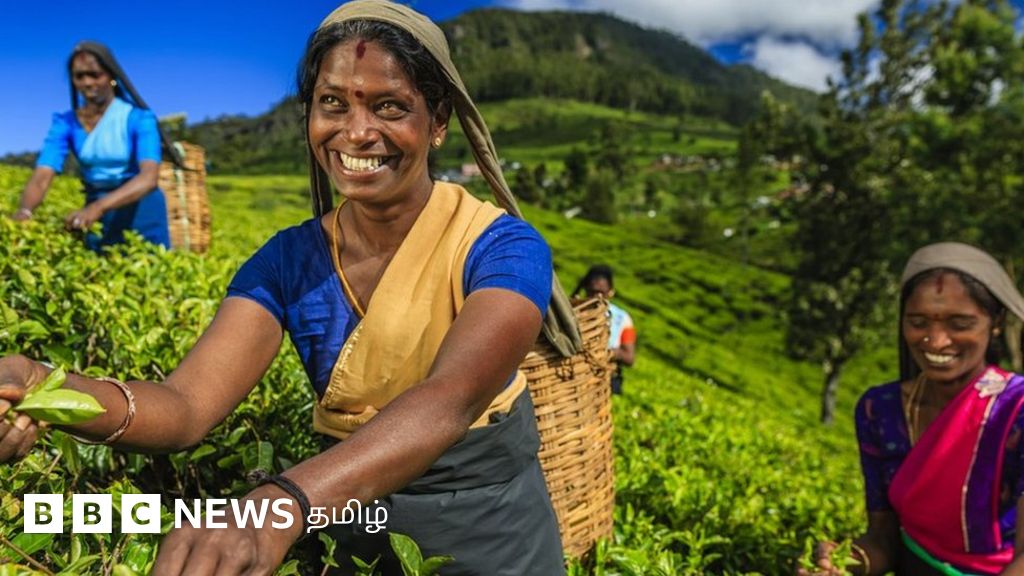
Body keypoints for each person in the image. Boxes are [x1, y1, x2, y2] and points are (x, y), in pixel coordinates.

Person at [0, 2, 582, 574]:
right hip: (348, 517)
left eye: (389, 106)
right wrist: (43, 387)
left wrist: (277, 508)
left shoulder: (502, 248)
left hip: (487, 532)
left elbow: (449, 399)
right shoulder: (286, 261)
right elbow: (183, 409)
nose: (356, 132)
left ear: (437, 123)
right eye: (332, 104)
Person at [799, 242, 1024, 576]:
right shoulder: (880, 410)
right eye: (918, 322)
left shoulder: (1016, 410)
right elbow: (883, 541)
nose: (935, 341)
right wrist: (840, 563)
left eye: (959, 324)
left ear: (995, 323)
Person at [11, 41, 175, 251]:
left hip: (140, 210)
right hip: (98, 211)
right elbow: (43, 175)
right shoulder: (66, 123)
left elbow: (149, 178)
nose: (87, 82)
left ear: (111, 76)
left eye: (95, 74)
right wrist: (25, 211)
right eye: (79, 76)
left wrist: (97, 208)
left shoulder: (138, 119)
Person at [575, 264, 636, 394]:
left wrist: (604, 352)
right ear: (585, 289)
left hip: (607, 379)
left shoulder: (622, 318)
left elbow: (629, 357)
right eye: (592, 292)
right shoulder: (575, 314)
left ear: (610, 292)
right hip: (578, 378)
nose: (597, 298)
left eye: (601, 293)